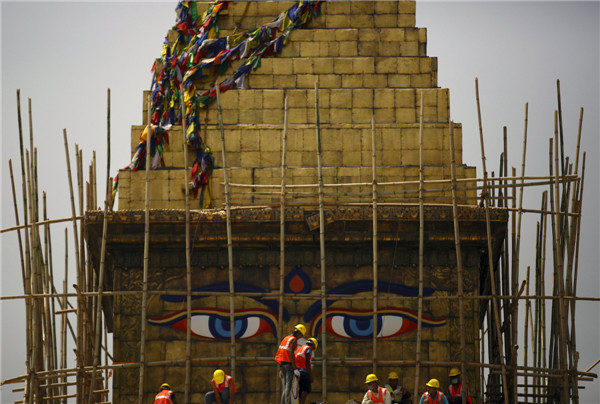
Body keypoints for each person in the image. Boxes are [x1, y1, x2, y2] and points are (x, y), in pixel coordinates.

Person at [275, 323, 306, 404]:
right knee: (288, 389)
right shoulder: (294, 340)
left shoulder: (286, 338)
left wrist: (280, 368)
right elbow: (291, 354)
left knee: (284, 389)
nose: (300, 337)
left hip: (282, 365)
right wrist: (295, 369)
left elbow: (280, 353)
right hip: (289, 366)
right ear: (299, 333)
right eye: (301, 335)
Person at [295, 337, 318, 404]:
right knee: (306, 389)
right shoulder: (308, 348)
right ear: (313, 345)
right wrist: (310, 375)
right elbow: (307, 361)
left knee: (301, 389)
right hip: (304, 372)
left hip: (298, 372)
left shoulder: (300, 348)